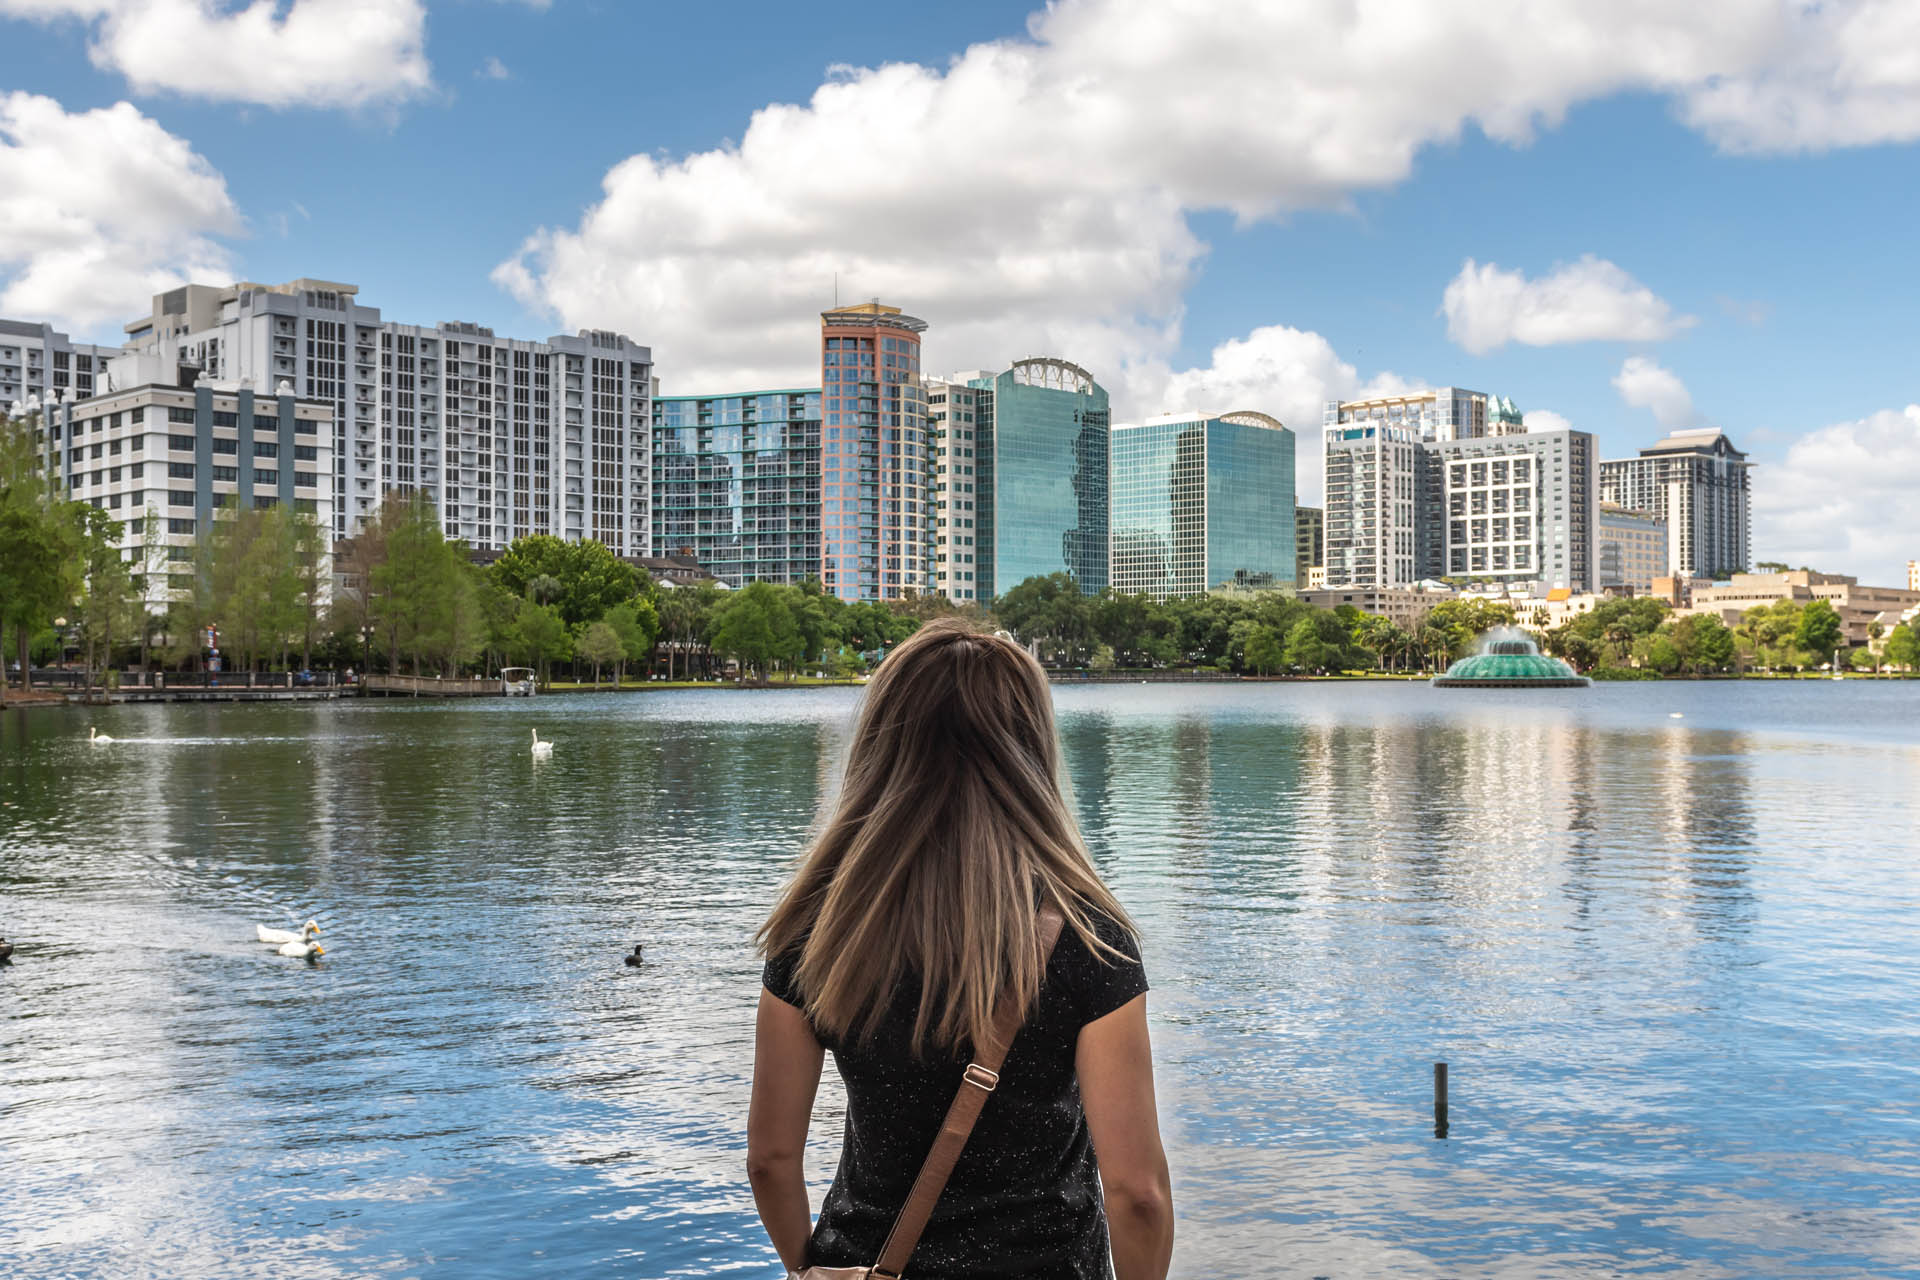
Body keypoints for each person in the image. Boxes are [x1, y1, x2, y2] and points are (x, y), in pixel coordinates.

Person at [748, 619, 1174, 1279]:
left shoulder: (818, 927)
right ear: (1029, 745)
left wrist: (808, 1269)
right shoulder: (1086, 935)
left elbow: (770, 1159)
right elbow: (1137, 1193)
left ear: (883, 742)